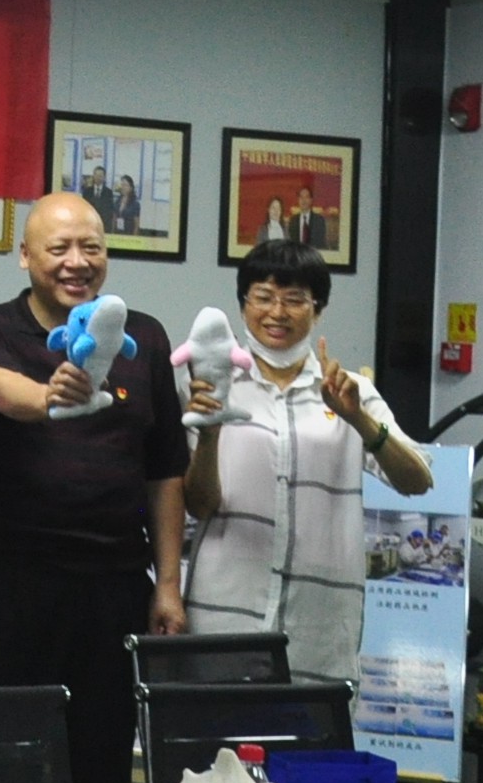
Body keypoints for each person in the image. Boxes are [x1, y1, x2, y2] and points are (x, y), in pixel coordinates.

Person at [0, 193, 188, 783]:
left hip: (114, 585)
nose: (76, 262)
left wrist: (167, 585)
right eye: (59, 248)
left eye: (91, 247)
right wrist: (52, 396)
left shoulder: (143, 336)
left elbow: (165, 469)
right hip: (8, 582)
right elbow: (0, 391)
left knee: (100, 767)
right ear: (25, 256)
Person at [183, 242, 435, 678]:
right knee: (217, 722)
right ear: (243, 305)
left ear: (317, 310)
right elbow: (198, 505)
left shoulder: (350, 391)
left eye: (295, 299)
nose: (277, 312)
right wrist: (209, 432)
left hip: (318, 626)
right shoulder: (210, 387)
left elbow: (418, 480)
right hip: (222, 613)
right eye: (263, 297)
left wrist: (358, 419)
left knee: (313, 723)